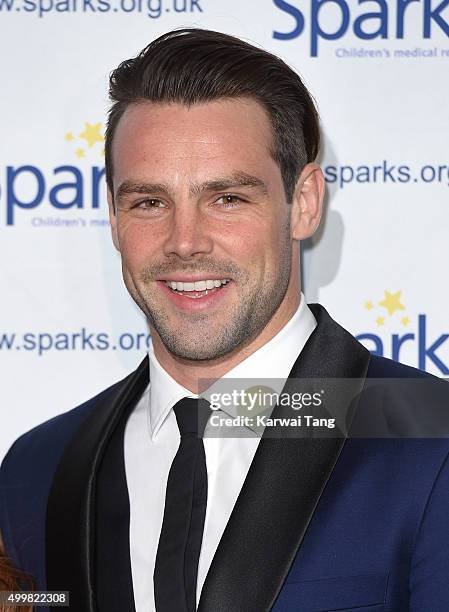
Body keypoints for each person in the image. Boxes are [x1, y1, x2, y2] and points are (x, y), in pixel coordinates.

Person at [1, 28, 449, 612]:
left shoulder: (430, 437)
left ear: (305, 202)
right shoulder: (39, 467)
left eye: (228, 199)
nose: (185, 243)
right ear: (113, 215)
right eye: (149, 202)